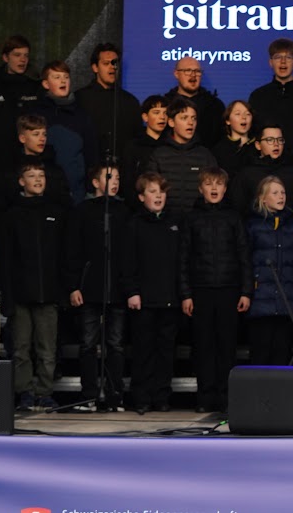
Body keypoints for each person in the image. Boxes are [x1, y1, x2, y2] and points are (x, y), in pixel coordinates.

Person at [179, 167, 252, 414]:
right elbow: (183, 258)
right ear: (201, 189)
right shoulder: (191, 219)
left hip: (229, 290)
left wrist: (246, 291)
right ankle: (205, 396)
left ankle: (225, 397)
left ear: (225, 188)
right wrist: (186, 294)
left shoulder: (233, 218)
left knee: (226, 346)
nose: (214, 188)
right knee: (203, 346)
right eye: (209, 184)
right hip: (201, 290)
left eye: (218, 184)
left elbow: (244, 255)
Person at [63, 163, 132, 412]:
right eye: (109, 177)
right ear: (95, 182)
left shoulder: (124, 211)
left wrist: (129, 287)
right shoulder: (82, 211)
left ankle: (115, 396)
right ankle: (88, 395)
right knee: (88, 344)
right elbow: (72, 251)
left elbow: (129, 254)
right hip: (89, 287)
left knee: (116, 345)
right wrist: (74, 286)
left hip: (117, 289)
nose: (115, 182)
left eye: (118, 178)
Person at [0, 161, 65, 412]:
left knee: (47, 349)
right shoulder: (11, 216)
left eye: (41, 175)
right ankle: (24, 392)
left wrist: (63, 289)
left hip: (49, 292)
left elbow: (64, 256)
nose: (38, 180)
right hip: (20, 294)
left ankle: (45, 392)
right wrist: (7, 295)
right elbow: (5, 259)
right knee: (21, 348)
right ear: (21, 181)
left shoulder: (56, 213)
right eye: (32, 175)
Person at [122, 171, 182, 414]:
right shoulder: (134, 224)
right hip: (144, 299)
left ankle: (161, 396)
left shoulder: (174, 223)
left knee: (166, 351)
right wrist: (132, 291)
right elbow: (128, 262)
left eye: (162, 192)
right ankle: (142, 397)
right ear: (141, 196)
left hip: (169, 298)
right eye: (152, 191)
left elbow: (181, 261)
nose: (158, 196)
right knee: (143, 351)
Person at [245, 175, 293, 365]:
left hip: (286, 301)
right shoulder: (252, 226)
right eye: (275, 193)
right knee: (261, 353)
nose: (281, 196)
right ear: (263, 198)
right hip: (260, 300)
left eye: (283, 192)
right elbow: (245, 261)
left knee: (282, 354)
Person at [32, 60, 100, 205]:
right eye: (57, 77)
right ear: (46, 84)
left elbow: (91, 154)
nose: (63, 81)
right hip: (43, 192)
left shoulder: (82, 115)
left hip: (76, 192)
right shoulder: (36, 114)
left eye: (66, 77)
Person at [0, 34, 42, 173]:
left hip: (29, 167)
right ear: (5, 57)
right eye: (17, 55)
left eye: (26, 55)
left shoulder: (35, 89)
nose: (22, 59)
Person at [145, 98, 218, 217]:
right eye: (184, 118)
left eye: (193, 118)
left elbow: (215, 190)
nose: (190, 123)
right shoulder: (159, 154)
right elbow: (150, 190)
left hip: (198, 220)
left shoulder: (205, 155)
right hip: (167, 220)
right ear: (171, 122)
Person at [75, 43, 140, 170]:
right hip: (88, 169)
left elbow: (136, 139)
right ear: (95, 67)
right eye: (106, 63)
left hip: (123, 171)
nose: (112, 67)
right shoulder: (80, 98)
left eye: (115, 63)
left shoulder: (130, 102)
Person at [234, 124, 293, 220]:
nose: (276, 144)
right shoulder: (246, 174)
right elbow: (238, 208)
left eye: (280, 140)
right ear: (258, 145)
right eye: (270, 140)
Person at [247, 38, 293, 141]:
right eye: (278, 57)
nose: (283, 62)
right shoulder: (258, 96)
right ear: (270, 62)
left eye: (288, 57)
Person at [163, 56, 225, 149]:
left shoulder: (215, 105)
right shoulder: (165, 104)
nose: (193, 75)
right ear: (176, 74)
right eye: (187, 70)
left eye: (197, 71)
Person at [211, 99, 256, 179]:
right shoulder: (219, 149)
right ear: (228, 121)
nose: (244, 117)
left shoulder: (258, 146)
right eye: (238, 114)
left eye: (248, 114)